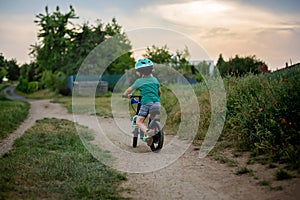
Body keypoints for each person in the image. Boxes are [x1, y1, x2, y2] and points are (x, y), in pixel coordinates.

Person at [123, 58, 161, 146]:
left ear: (140, 72)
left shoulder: (139, 81)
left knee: (139, 121)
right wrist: (155, 98)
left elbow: (129, 90)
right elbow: (159, 92)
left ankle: (148, 132)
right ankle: (155, 133)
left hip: (146, 103)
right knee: (151, 117)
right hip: (157, 103)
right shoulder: (155, 80)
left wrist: (125, 95)